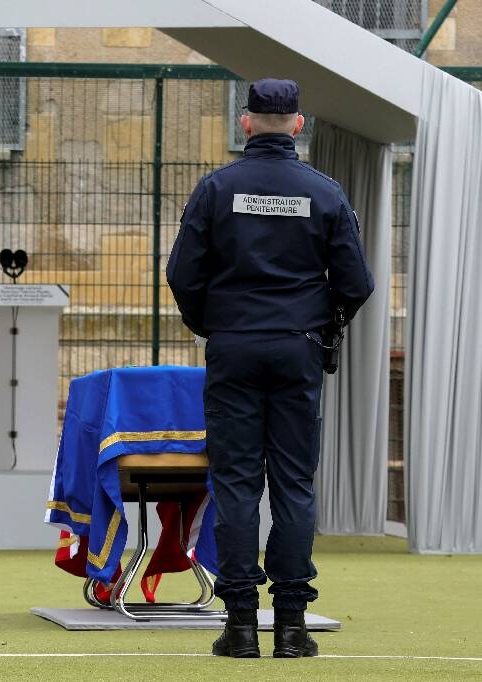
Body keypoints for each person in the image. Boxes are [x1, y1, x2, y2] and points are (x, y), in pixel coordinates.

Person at [166, 78, 374, 659]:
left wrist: (214, 322)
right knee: (293, 484)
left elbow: (183, 273)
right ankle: (290, 627)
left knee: (235, 482)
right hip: (297, 347)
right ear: (299, 124)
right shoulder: (325, 193)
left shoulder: (216, 189)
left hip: (234, 344)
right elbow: (357, 283)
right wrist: (322, 323)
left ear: (247, 122)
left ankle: (237, 627)